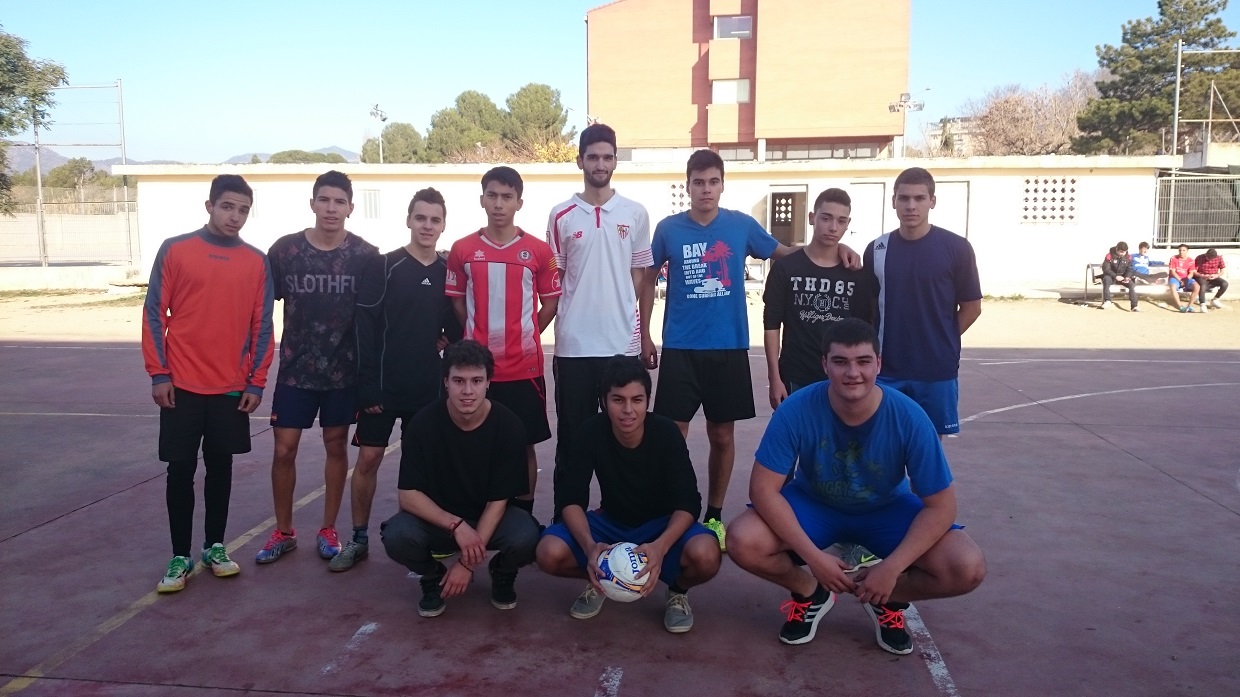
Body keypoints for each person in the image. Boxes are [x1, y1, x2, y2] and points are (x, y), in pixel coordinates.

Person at [642, 149, 860, 550]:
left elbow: (789, 255)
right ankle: (674, 507)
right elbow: (646, 277)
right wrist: (644, 334)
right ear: (686, 186)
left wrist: (837, 249)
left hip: (728, 350)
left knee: (722, 436)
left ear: (723, 184)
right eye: (698, 182)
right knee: (672, 436)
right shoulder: (668, 230)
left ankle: (714, 515)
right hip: (680, 348)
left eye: (713, 182)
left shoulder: (741, 226)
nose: (706, 189)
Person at [727, 318, 986, 655]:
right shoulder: (795, 409)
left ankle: (887, 597)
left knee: (967, 567)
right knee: (742, 540)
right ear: (824, 364)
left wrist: (891, 570)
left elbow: (942, 505)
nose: (853, 373)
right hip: (815, 505)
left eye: (863, 361)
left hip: (885, 509)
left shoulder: (909, 417)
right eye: (840, 362)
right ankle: (810, 591)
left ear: (878, 363)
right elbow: (762, 489)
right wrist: (814, 561)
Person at [142, 174, 275, 592]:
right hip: (180, 385)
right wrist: (159, 373)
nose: (235, 216)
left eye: (243, 210)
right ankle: (180, 555)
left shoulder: (256, 261)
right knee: (179, 469)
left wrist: (255, 382)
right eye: (227, 207)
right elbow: (153, 313)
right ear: (209, 206)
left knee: (221, 467)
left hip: (230, 388)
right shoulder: (176, 249)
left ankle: (215, 546)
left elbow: (263, 325)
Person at [536, 356, 721, 633]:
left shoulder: (665, 432)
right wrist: (589, 548)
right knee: (548, 552)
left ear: (648, 401)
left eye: (637, 400)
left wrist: (660, 547)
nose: (628, 410)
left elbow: (688, 502)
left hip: (661, 523)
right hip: (611, 523)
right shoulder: (590, 432)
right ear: (603, 400)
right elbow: (570, 498)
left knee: (707, 555)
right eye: (617, 400)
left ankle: (677, 590)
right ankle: (604, 579)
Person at [330, 188, 463, 572]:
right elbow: (365, 326)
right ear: (409, 220)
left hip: (427, 388)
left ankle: (429, 537)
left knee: (425, 466)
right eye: (420, 217)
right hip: (383, 387)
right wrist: (366, 383)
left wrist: (448, 336)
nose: (427, 225)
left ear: (443, 225)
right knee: (369, 459)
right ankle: (357, 539)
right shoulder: (384, 265)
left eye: (435, 220)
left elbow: (456, 320)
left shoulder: (445, 271)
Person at [258, 171, 379, 564]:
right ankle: (283, 531)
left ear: (350, 208)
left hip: (343, 374)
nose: (331, 208)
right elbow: (258, 308)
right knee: (283, 449)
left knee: (335, 446)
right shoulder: (285, 252)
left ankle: (328, 528)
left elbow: (382, 312)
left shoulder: (364, 255)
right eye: (324, 200)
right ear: (312, 204)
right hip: (296, 371)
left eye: (339, 201)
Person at [380, 340, 541, 617]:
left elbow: (498, 501)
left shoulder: (509, 426)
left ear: (489, 382)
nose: (467, 391)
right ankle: (432, 576)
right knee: (396, 535)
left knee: (527, 537)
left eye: (476, 381)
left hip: (490, 518)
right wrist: (456, 526)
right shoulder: (423, 424)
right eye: (459, 380)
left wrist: (466, 565)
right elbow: (408, 495)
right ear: (445, 382)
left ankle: (502, 571)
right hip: (441, 521)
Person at [545, 124, 654, 522]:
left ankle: (621, 516)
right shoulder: (560, 215)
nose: (601, 164)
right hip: (574, 345)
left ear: (615, 161)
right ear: (580, 161)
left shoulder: (635, 213)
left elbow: (642, 277)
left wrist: (643, 336)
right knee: (572, 440)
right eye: (593, 156)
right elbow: (554, 280)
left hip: (620, 346)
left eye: (608, 157)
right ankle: (564, 520)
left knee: (623, 436)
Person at [446, 167, 560, 518]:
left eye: (507, 196)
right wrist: (476, 341)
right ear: (482, 199)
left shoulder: (538, 251)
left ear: (519, 202)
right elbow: (456, 301)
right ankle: (470, 513)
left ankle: (522, 518)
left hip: (523, 369)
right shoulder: (462, 249)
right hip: (478, 372)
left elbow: (551, 302)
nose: (499, 204)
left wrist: (527, 334)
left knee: (524, 444)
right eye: (492, 195)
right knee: (471, 442)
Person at [863, 167, 982, 437]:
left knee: (928, 448)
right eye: (904, 198)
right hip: (887, 368)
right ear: (893, 201)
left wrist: (942, 339)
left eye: (919, 198)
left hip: (936, 369)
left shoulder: (957, 248)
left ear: (932, 201)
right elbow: (870, 308)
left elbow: (972, 307)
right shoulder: (877, 249)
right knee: (884, 443)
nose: (911, 206)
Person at [763, 187, 873, 408]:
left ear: (847, 224)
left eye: (841, 221)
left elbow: (865, 330)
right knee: (798, 438)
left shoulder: (856, 274)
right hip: (796, 374)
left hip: (841, 375)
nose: (833, 227)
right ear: (812, 218)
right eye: (826, 218)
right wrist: (774, 378)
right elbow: (771, 325)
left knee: (842, 439)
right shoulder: (786, 269)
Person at [1099, 241, 1139, 312]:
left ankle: (1134, 306)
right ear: (1117, 249)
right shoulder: (1109, 255)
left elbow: (1130, 269)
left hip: (1123, 277)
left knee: (1131, 285)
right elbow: (1106, 268)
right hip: (1111, 275)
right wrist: (1115, 276)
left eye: (1124, 252)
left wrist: (1127, 277)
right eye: (1121, 252)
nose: (1122, 253)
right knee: (1106, 280)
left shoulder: (1128, 257)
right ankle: (1107, 300)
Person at [1167, 244, 1200, 313]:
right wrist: (1180, 280)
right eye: (1180, 250)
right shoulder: (1173, 258)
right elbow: (1173, 272)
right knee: (1173, 287)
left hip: (1186, 278)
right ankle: (1180, 307)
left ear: (1187, 251)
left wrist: (1186, 279)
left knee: (1197, 287)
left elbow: (1191, 273)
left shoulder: (1190, 260)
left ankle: (1189, 306)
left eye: (1183, 250)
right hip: (1175, 278)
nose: (1181, 252)